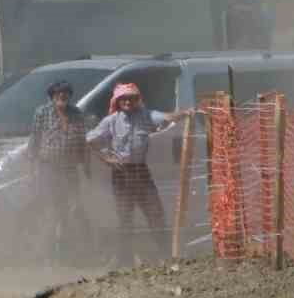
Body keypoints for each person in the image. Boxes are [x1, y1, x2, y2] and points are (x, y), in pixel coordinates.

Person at [86, 82, 189, 264]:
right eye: (123, 99)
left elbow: (167, 117)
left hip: (141, 171)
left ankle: (166, 256)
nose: (127, 102)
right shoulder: (111, 121)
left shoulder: (146, 115)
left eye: (131, 99)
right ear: (117, 101)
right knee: (125, 217)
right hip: (121, 173)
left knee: (155, 213)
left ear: (136, 100)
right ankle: (124, 261)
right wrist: (106, 158)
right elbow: (90, 140)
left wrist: (185, 113)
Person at [25, 80, 90, 262]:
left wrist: (86, 167)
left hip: (70, 168)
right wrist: (31, 171)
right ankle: (46, 256)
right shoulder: (42, 112)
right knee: (52, 211)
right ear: (52, 96)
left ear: (69, 95)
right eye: (58, 93)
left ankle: (66, 252)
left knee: (72, 209)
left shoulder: (76, 113)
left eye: (65, 93)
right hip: (49, 168)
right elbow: (34, 141)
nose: (62, 96)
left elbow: (82, 142)